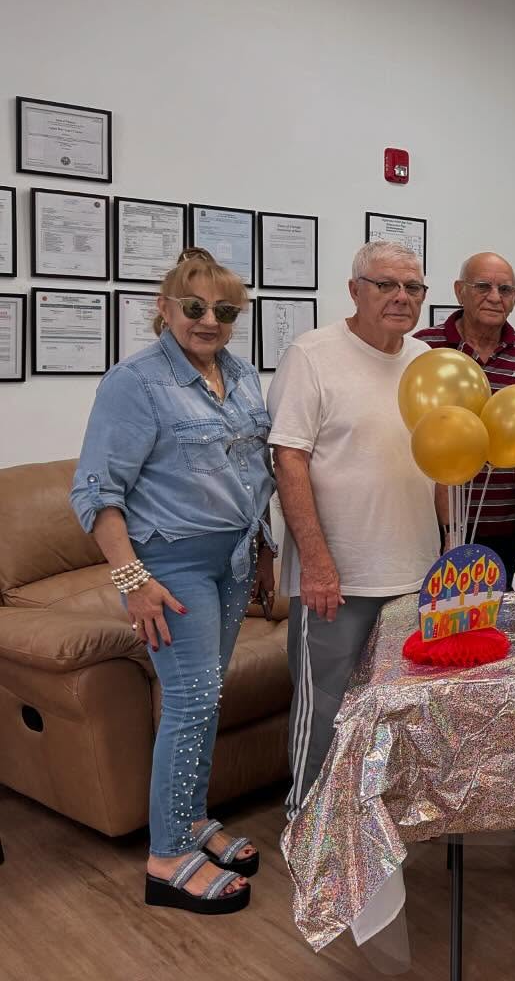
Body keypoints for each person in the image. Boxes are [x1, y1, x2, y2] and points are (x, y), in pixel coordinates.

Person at [70, 249, 270, 913]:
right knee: (191, 702)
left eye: (225, 311)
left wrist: (265, 551)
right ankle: (166, 857)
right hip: (172, 566)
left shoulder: (239, 376)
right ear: (165, 306)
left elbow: (251, 472)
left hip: (234, 560)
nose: (209, 321)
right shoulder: (135, 382)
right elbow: (96, 493)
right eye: (194, 307)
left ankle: (189, 820)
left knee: (205, 701)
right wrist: (133, 580)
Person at [269, 241, 442, 820]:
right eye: (385, 284)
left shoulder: (426, 362)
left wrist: (446, 554)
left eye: (413, 288)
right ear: (354, 290)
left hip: (414, 573)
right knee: (325, 709)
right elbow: (288, 460)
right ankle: (308, 826)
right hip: (335, 578)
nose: (401, 297)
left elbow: (443, 461)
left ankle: (372, 827)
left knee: (397, 709)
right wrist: (315, 563)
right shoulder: (313, 355)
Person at [415, 251, 515, 577]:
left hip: (508, 529)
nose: (494, 297)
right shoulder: (423, 348)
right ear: (460, 291)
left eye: (505, 290)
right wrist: (448, 533)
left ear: (514, 298)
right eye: (482, 286)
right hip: (433, 532)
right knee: (445, 624)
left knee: (505, 624)